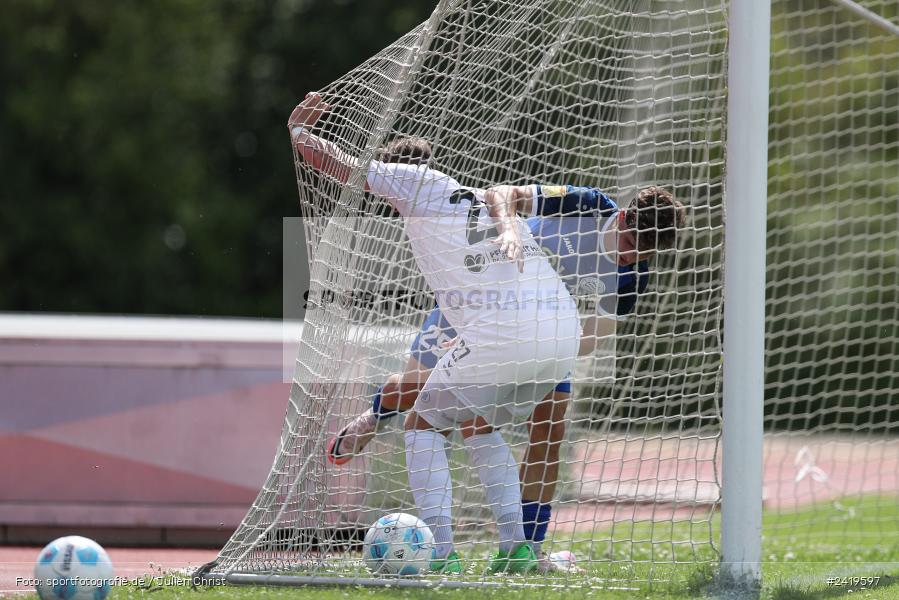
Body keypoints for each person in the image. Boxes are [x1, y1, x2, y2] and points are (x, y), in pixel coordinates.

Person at [325, 145, 685, 571]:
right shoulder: (586, 204)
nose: (632, 255)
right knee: (415, 391)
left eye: (644, 253)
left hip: (541, 332)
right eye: (630, 243)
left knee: (547, 429)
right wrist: (510, 231)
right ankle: (375, 416)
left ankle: (525, 549)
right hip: (475, 298)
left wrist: (536, 350)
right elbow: (501, 192)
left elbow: (593, 336)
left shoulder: (632, 276)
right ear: (623, 217)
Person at [290, 92, 584, 574]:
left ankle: (442, 556)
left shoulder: (416, 182)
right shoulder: (469, 204)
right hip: (561, 333)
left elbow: (340, 166)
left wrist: (299, 132)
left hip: (508, 333)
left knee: (422, 425)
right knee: (479, 424)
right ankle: (518, 551)